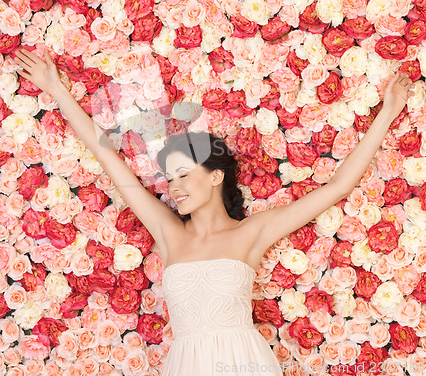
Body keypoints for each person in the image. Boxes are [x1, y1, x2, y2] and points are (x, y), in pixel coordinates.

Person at [12, 47, 414, 375]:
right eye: (169, 179)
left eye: (184, 174)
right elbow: (107, 157)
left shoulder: (251, 233)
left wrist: (389, 111)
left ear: (216, 176)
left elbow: (338, 187)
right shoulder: (170, 233)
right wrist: (55, 88)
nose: (174, 187)